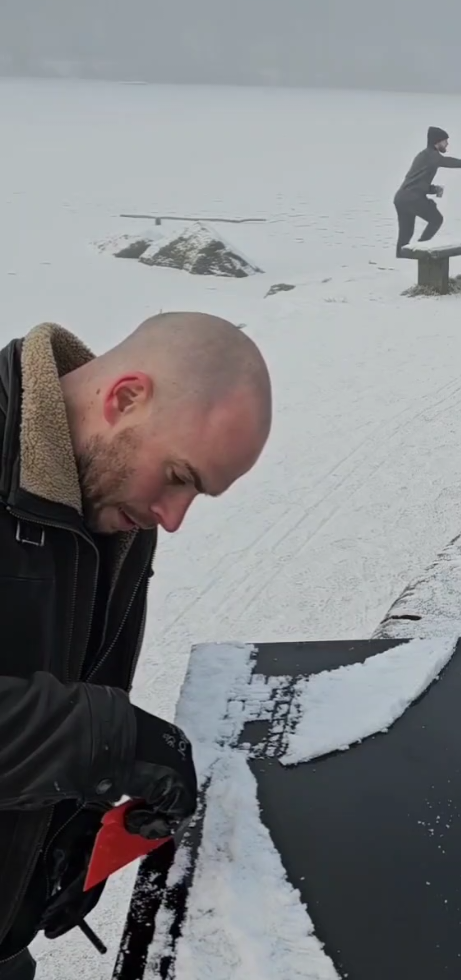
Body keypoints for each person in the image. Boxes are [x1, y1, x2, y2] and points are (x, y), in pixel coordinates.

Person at [0, 313, 272, 978]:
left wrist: (69, 837)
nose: (173, 518)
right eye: (178, 476)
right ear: (124, 398)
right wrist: (110, 741)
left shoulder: (112, 504)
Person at [394, 127, 461, 257]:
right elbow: (450, 162)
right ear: (437, 142)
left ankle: (400, 259)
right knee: (436, 219)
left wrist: (433, 189)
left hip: (401, 198)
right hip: (413, 198)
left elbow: (415, 182)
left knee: (405, 234)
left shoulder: (423, 155)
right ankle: (422, 250)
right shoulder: (433, 156)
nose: (447, 144)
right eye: (445, 141)